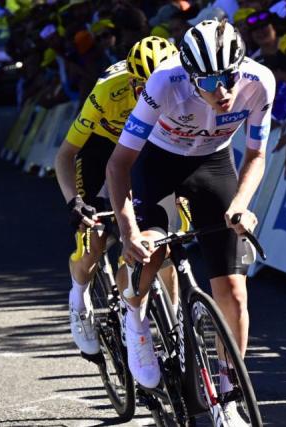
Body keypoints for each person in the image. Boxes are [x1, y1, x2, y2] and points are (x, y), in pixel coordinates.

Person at [106, 19, 275, 423]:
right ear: (189, 74)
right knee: (149, 247)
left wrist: (241, 204)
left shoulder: (260, 81)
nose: (224, 91)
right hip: (158, 163)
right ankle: (135, 318)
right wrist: (128, 230)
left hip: (215, 163)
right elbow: (119, 164)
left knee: (233, 292)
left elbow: (255, 156)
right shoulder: (165, 82)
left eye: (229, 76)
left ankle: (229, 398)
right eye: (210, 81)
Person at [55, 36, 178, 356]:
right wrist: (74, 202)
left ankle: (177, 327)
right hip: (103, 148)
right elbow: (66, 155)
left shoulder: (183, 89)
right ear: (131, 81)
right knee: (94, 239)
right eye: (141, 86)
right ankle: (79, 298)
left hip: (150, 149)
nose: (149, 94)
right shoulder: (108, 92)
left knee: (165, 243)